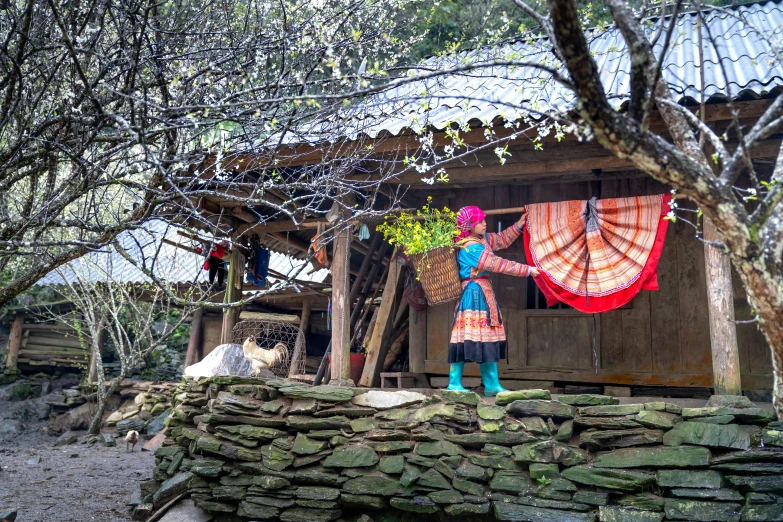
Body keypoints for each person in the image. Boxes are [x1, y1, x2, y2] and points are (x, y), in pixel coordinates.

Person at [448, 206, 539, 396]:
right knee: (466, 336)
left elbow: (501, 239)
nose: (484, 223)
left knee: (488, 336)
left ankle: (491, 384)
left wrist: (519, 225)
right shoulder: (469, 247)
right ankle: (455, 383)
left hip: (484, 292)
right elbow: (495, 263)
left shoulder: (482, 239)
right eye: (480, 221)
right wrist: (527, 270)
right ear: (470, 225)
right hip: (474, 294)